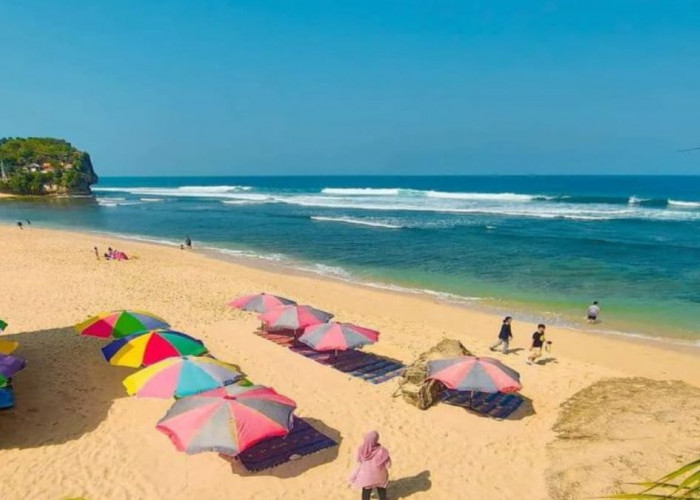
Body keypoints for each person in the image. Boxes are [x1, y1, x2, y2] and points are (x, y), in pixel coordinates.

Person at [349, 431, 391, 500]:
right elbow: (388, 464)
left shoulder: (361, 449)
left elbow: (359, 460)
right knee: (381, 488)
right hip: (380, 476)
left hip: (366, 477)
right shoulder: (382, 450)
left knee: (366, 490)